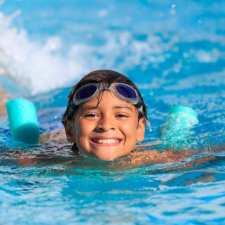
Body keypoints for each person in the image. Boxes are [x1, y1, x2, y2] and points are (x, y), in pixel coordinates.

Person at [0, 70, 217, 168]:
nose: (106, 125)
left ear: (140, 129)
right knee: (19, 126)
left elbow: (212, 158)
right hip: (47, 131)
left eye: (121, 115)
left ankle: (179, 123)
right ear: (69, 129)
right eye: (92, 115)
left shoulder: (156, 158)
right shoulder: (42, 160)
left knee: (176, 142)